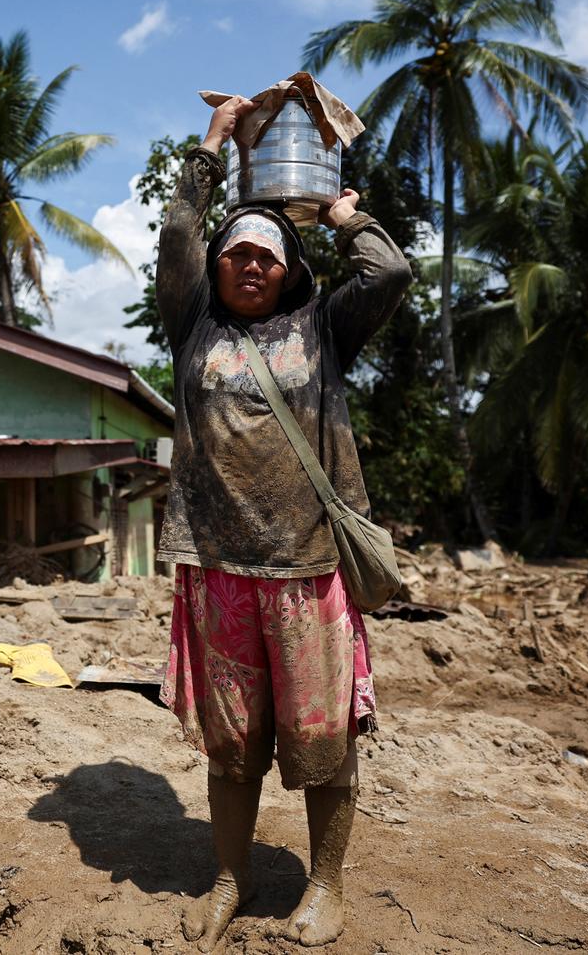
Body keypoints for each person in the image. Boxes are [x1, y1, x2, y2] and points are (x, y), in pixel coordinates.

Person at [156, 95, 412, 951]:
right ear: (219, 269)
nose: (251, 267)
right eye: (237, 255)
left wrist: (348, 216)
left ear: (290, 268)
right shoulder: (193, 327)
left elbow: (390, 276)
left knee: (320, 739)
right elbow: (178, 235)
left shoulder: (324, 329)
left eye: (268, 255)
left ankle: (325, 884)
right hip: (219, 567)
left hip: (308, 571)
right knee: (231, 746)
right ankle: (232, 875)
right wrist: (214, 144)